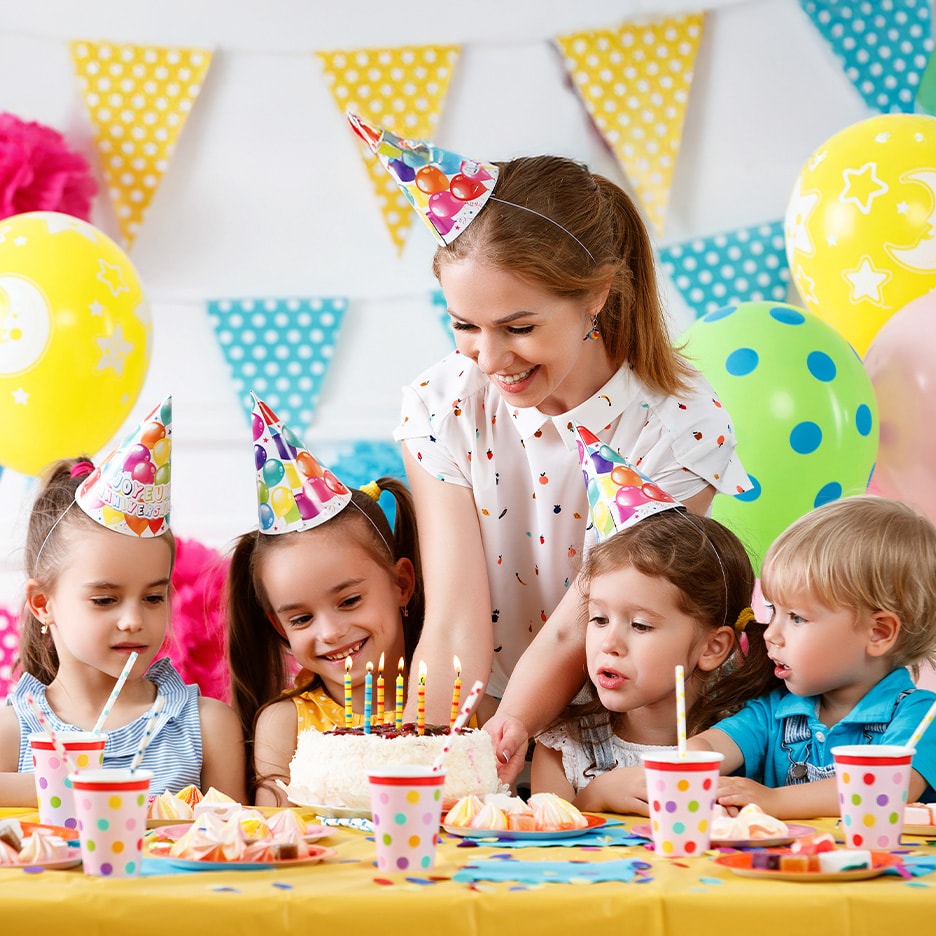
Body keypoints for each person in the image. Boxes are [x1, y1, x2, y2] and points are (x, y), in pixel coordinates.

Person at [348, 115, 750, 743]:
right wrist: (423, 757)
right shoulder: (443, 404)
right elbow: (454, 616)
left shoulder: (678, 431)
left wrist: (510, 734)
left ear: (596, 297)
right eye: (464, 326)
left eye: (518, 328)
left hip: (621, 737)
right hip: (484, 717)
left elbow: (579, 624)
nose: (489, 358)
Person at [0, 399, 246, 805]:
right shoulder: (14, 736)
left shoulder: (207, 727)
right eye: (104, 599)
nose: (134, 620)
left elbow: (237, 846)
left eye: (153, 596)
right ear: (43, 603)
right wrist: (68, 786)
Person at [529, 433, 776, 813]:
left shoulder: (750, 740)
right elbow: (544, 853)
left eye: (640, 625)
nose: (609, 643)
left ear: (713, 647)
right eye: (598, 618)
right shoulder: (564, 748)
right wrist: (596, 797)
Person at [226, 395, 423, 805]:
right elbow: (279, 836)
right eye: (300, 619)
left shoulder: (472, 710)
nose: (330, 632)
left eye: (349, 600)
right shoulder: (286, 726)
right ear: (279, 627)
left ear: (401, 583)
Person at [687, 495, 936, 818]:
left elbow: (883, 788)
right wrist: (692, 759)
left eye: (797, 618)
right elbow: (712, 746)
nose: (771, 634)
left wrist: (773, 801)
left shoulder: (921, 716)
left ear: (878, 633)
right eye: (773, 610)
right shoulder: (774, 713)